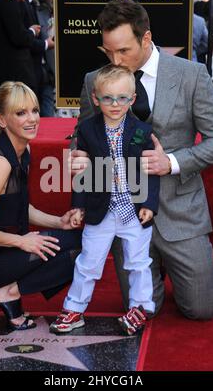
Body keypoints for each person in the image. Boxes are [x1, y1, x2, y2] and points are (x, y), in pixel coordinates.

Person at [71, 0, 213, 321]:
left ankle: (173, 271)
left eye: (123, 51)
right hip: (124, 213)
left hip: (181, 211)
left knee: (202, 310)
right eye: (108, 52)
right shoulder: (95, 80)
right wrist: (81, 158)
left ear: (146, 38)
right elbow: (84, 135)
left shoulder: (191, 75)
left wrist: (171, 162)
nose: (115, 61)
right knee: (145, 310)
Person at [0, 81, 82, 331]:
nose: (32, 119)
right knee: (80, 248)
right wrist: (22, 241)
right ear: (2, 120)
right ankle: (8, 292)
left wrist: (58, 222)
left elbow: (18, 207)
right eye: (20, 113)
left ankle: (9, 290)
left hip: (2, 249)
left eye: (35, 110)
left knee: (83, 240)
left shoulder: (22, 149)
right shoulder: (0, 163)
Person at [50, 65, 160, 335]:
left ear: (132, 99)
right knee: (88, 261)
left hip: (134, 210)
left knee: (138, 262)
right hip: (101, 210)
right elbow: (81, 171)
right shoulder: (87, 130)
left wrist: (150, 204)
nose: (115, 104)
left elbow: (151, 171)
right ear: (96, 99)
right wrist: (77, 204)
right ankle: (74, 308)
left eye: (122, 98)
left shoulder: (142, 131)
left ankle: (141, 307)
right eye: (107, 98)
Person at [0, 0, 41, 92]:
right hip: (17, 74)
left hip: (1, 69)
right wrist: (32, 31)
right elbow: (19, 37)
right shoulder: (8, 1)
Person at [21, 0, 55, 115]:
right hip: (31, 67)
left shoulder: (40, 7)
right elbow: (22, 38)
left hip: (47, 68)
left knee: (47, 106)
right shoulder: (24, 4)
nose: (52, 0)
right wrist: (45, 44)